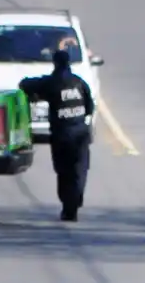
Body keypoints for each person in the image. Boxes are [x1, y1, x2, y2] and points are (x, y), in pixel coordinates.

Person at [19, 49, 95, 221]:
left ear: (55, 63)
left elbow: (25, 84)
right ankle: (75, 199)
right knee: (79, 170)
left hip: (62, 135)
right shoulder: (79, 82)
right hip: (81, 133)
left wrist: (36, 96)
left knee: (63, 171)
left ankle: (69, 206)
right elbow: (89, 108)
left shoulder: (52, 82)